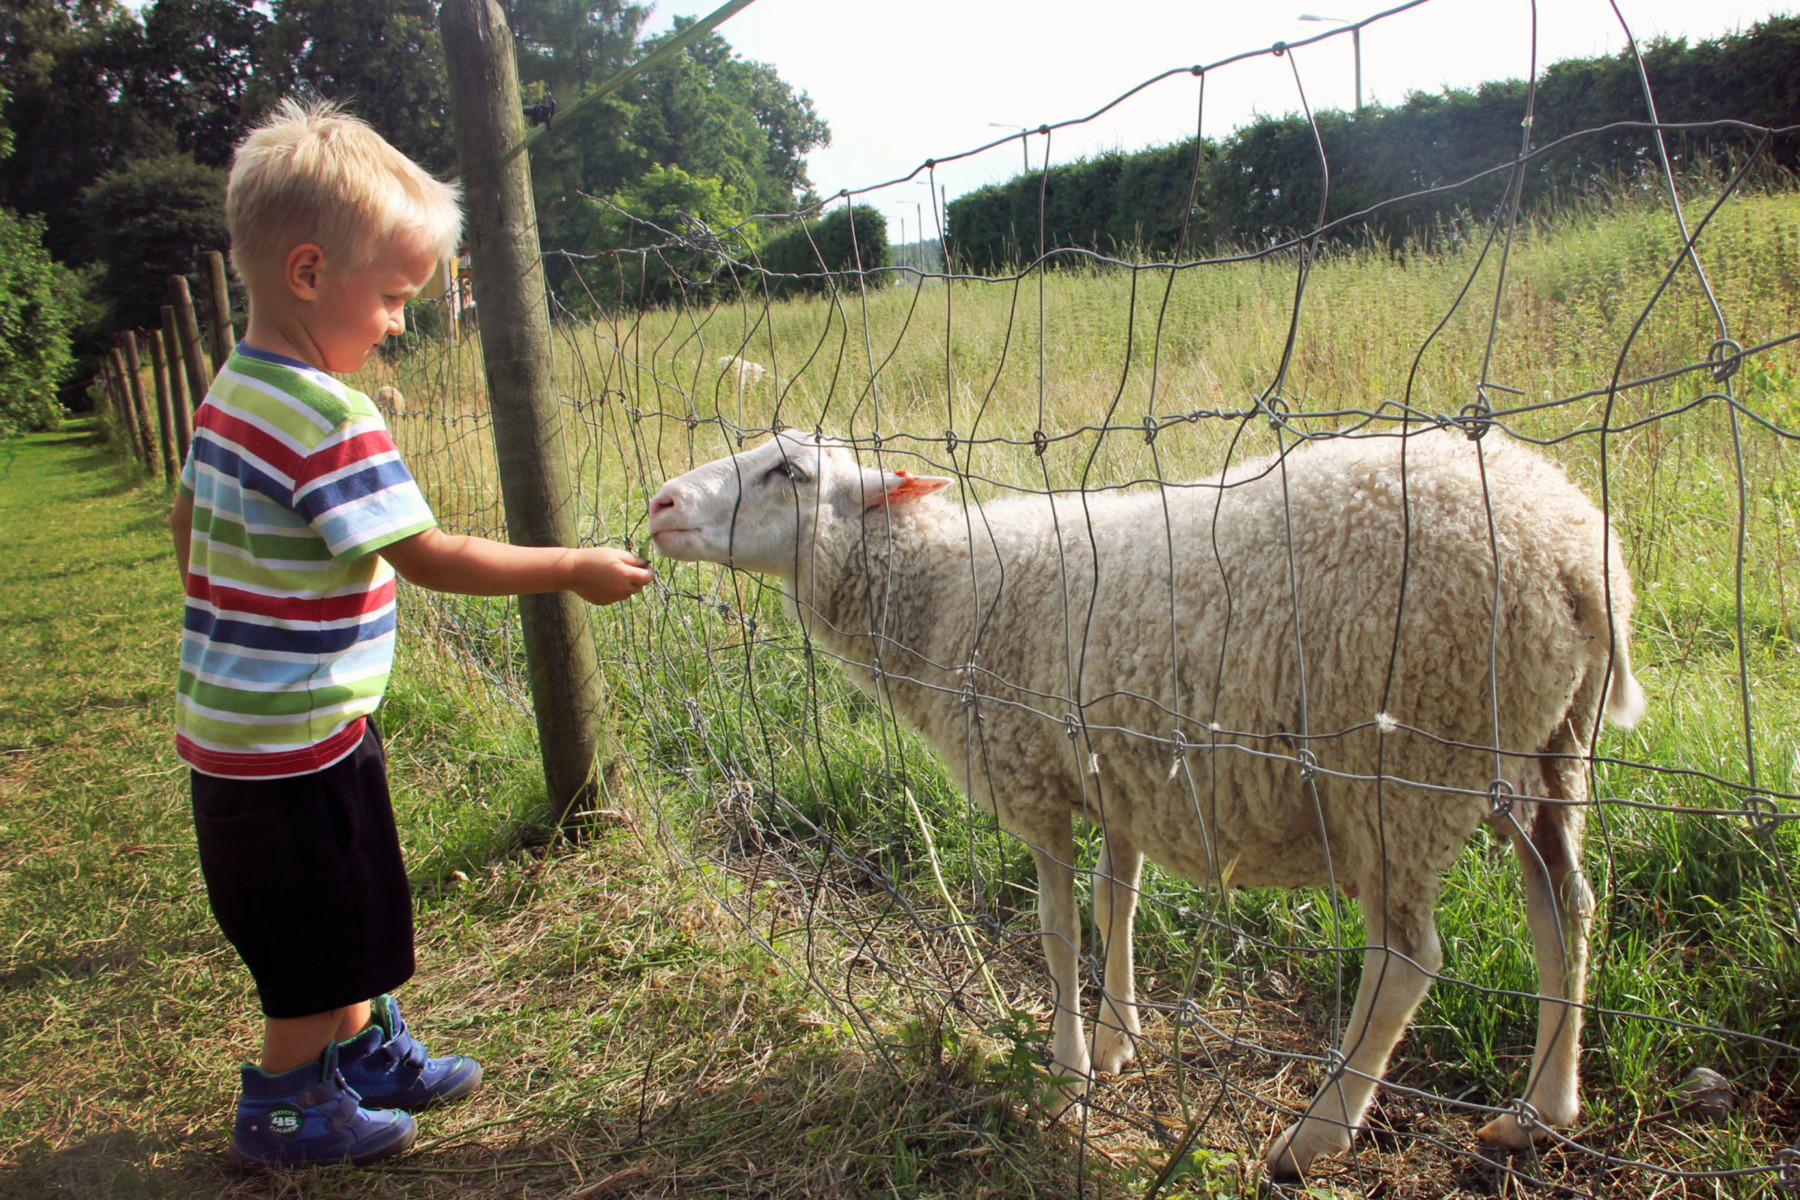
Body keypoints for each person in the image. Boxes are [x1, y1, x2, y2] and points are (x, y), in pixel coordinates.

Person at [168, 98, 653, 1169]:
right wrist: (569, 567)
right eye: (390, 299)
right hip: (294, 741)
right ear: (308, 274)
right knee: (316, 931)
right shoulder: (327, 415)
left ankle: (361, 1054)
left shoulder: (231, 394)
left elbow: (185, 525)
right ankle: (288, 1105)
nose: (398, 323)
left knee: (345, 902)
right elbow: (428, 552)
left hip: (248, 728)